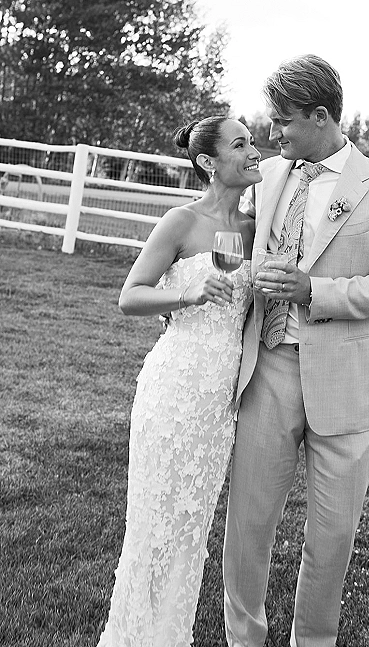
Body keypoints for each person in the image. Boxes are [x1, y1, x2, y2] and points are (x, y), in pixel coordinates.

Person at [222, 55, 369, 647]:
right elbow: (237, 235)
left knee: (332, 534)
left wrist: (316, 290)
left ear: (321, 115)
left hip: (344, 379)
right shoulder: (273, 176)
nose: (273, 133)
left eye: (283, 120)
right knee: (248, 523)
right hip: (269, 366)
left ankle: (313, 641)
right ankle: (243, 638)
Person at [97, 116, 262, 647]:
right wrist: (186, 296)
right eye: (241, 144)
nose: (253, 150)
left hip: (219, 408)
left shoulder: (256, 229)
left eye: (252, 141)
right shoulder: (180, 221)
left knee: (191, 535)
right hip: (173, 393)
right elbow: (130, 296)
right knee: (153, 529)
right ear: (209, 162)